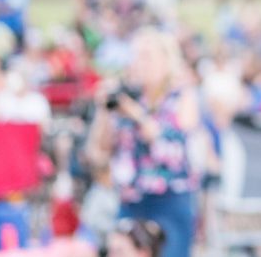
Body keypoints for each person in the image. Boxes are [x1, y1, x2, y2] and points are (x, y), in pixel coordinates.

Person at [86, 28, 200, 257]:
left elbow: (176, 146)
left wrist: (137, 114)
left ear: (167, 61)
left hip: (169, 199)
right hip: (130, 200)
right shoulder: (125, 96)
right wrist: (104, 111)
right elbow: (99, 151)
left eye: (147, 56)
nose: (139, 63)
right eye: (136, 56)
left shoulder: (182, 96)